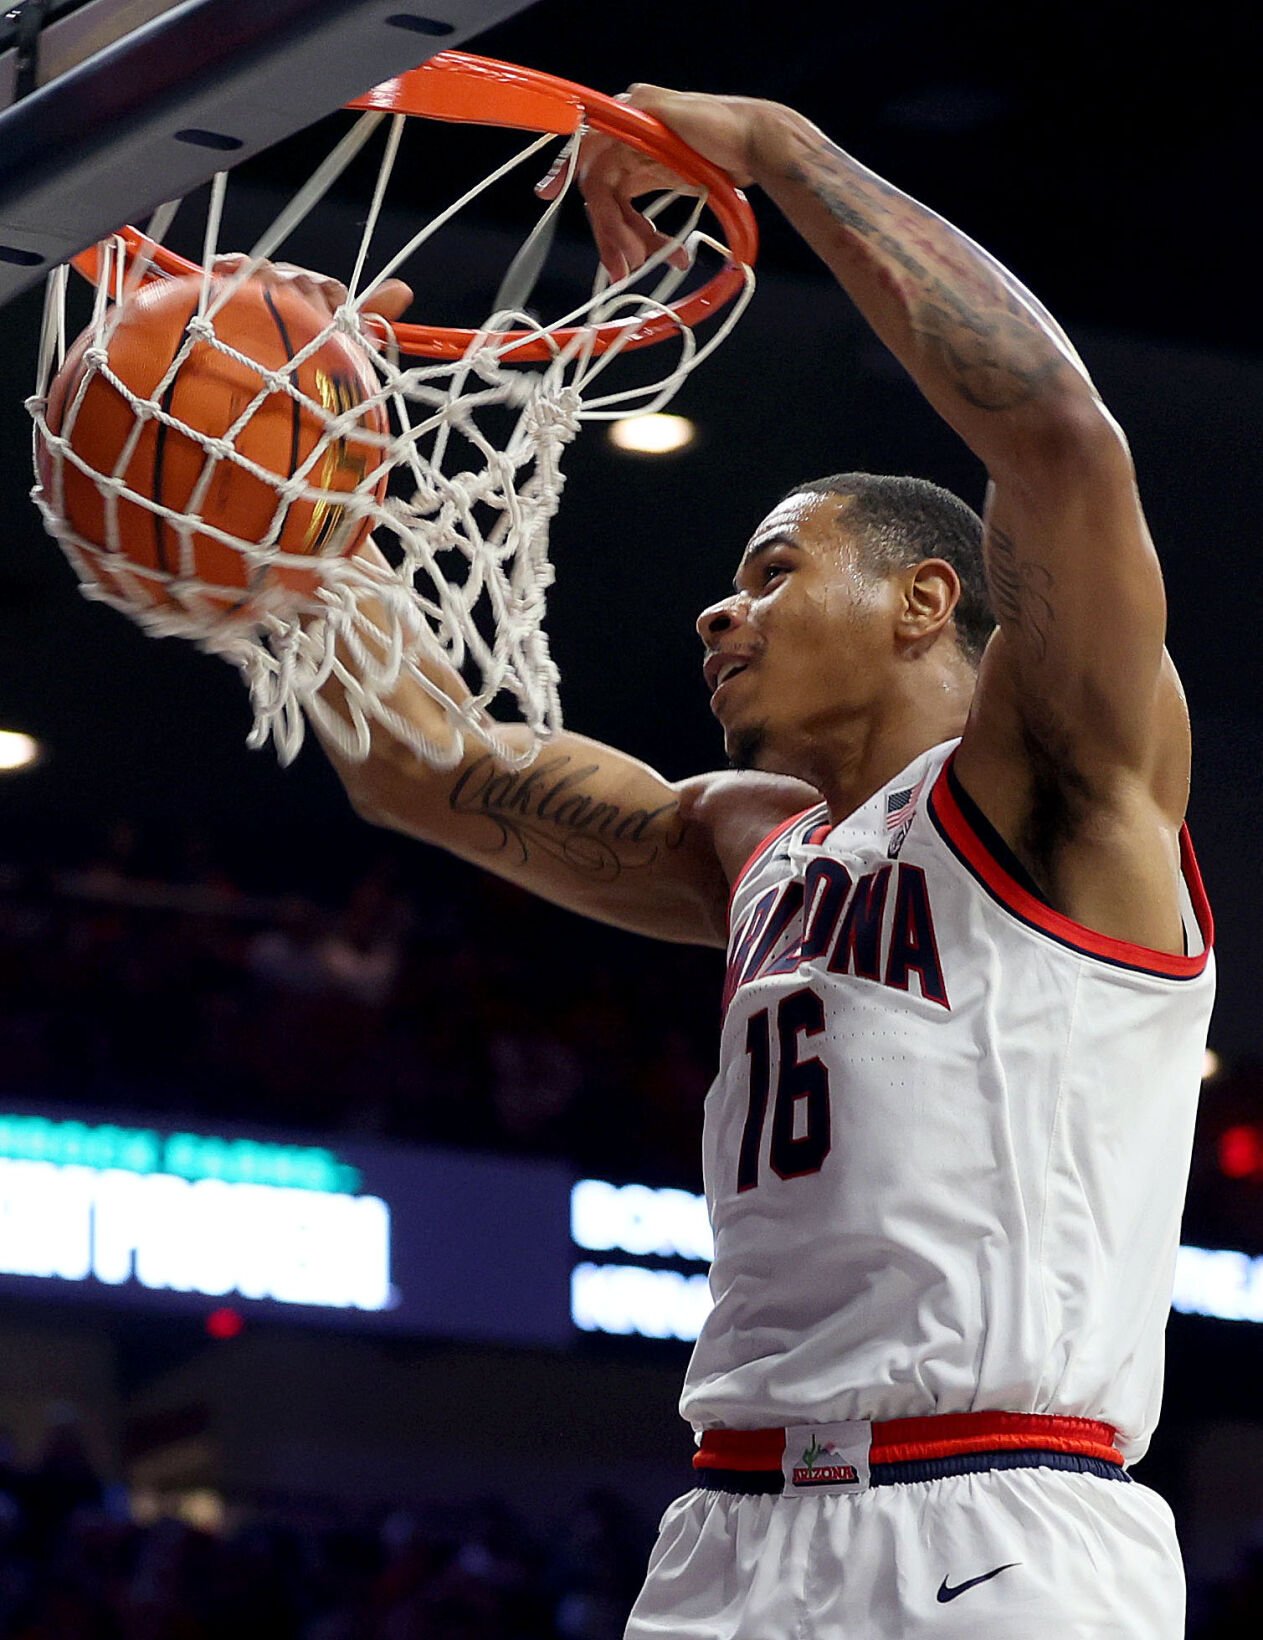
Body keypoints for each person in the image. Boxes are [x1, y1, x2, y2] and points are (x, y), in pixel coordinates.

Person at [283, 81, 1214, 1640]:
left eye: (773, 571)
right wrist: (293, 482)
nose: (720, 613)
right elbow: (419, 769)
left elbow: (1058, 437)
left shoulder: (1060, 787)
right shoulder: (748, 841)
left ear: (929, 600)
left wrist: (780, 151)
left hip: (997, 1519)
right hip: (728, 1530)